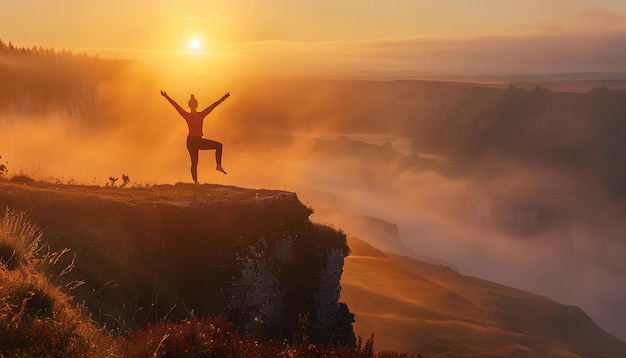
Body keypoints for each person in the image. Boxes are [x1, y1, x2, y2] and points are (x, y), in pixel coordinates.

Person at [160, 90, 230, 185]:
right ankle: (218, 165)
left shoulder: (188, 115)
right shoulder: (200, 115)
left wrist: (166, 96)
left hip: (191, 141)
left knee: (194, 162)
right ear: (196, 105)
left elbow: (176, 106)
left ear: (189, 106)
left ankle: (196, 181)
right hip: (195, 140)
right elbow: (212, 106)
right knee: (218, 146)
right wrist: (223, 98)